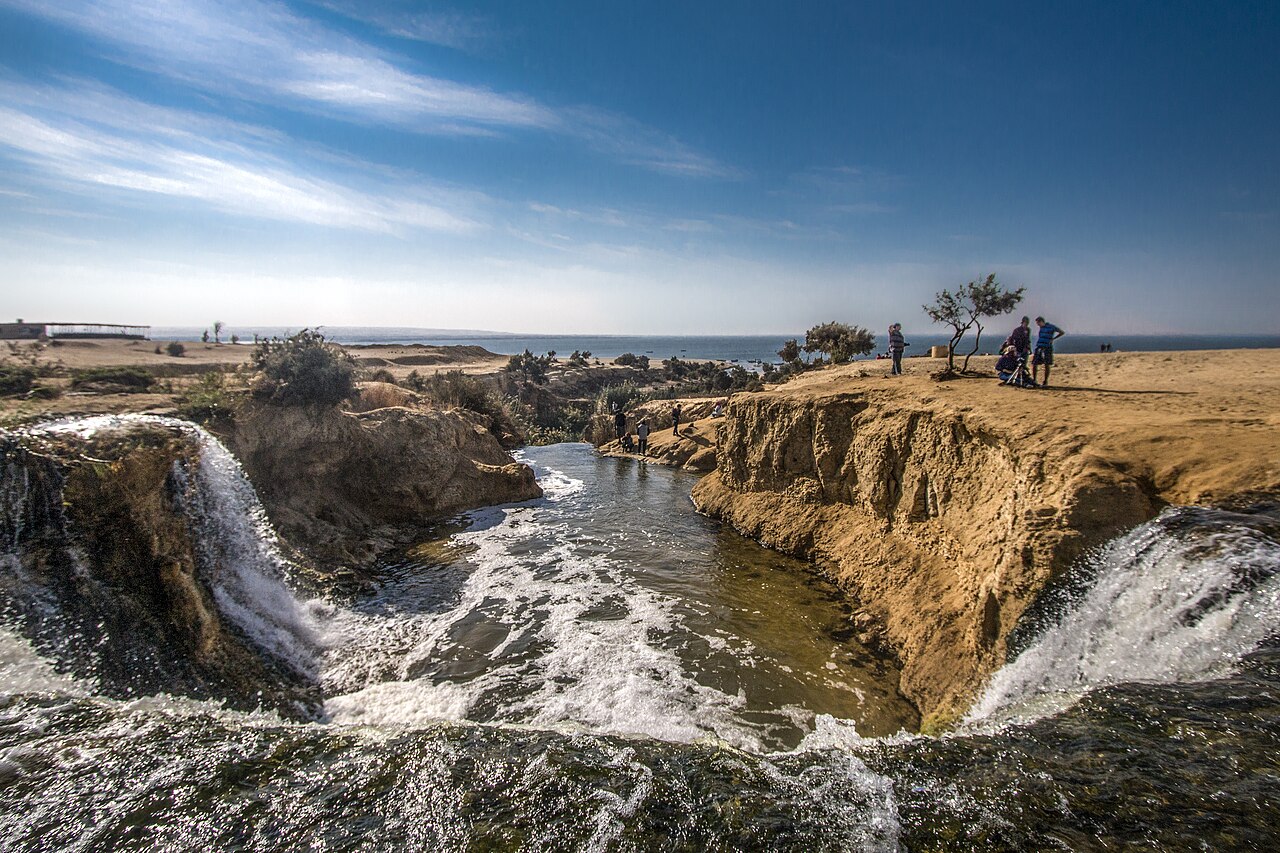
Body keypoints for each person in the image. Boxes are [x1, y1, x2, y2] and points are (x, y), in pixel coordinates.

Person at [1032, 316, 1066, 387]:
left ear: (1041, 321)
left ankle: (1045, 381)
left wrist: (1053, 339)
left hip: (1047, 347)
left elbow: (1061, 332)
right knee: (1035, 363)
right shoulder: (1041, 328)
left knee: (1047, 364)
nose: (1038, 325)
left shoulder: (1051, 327)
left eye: (1038, 323)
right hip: (1039, 346)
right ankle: (1034, 380)